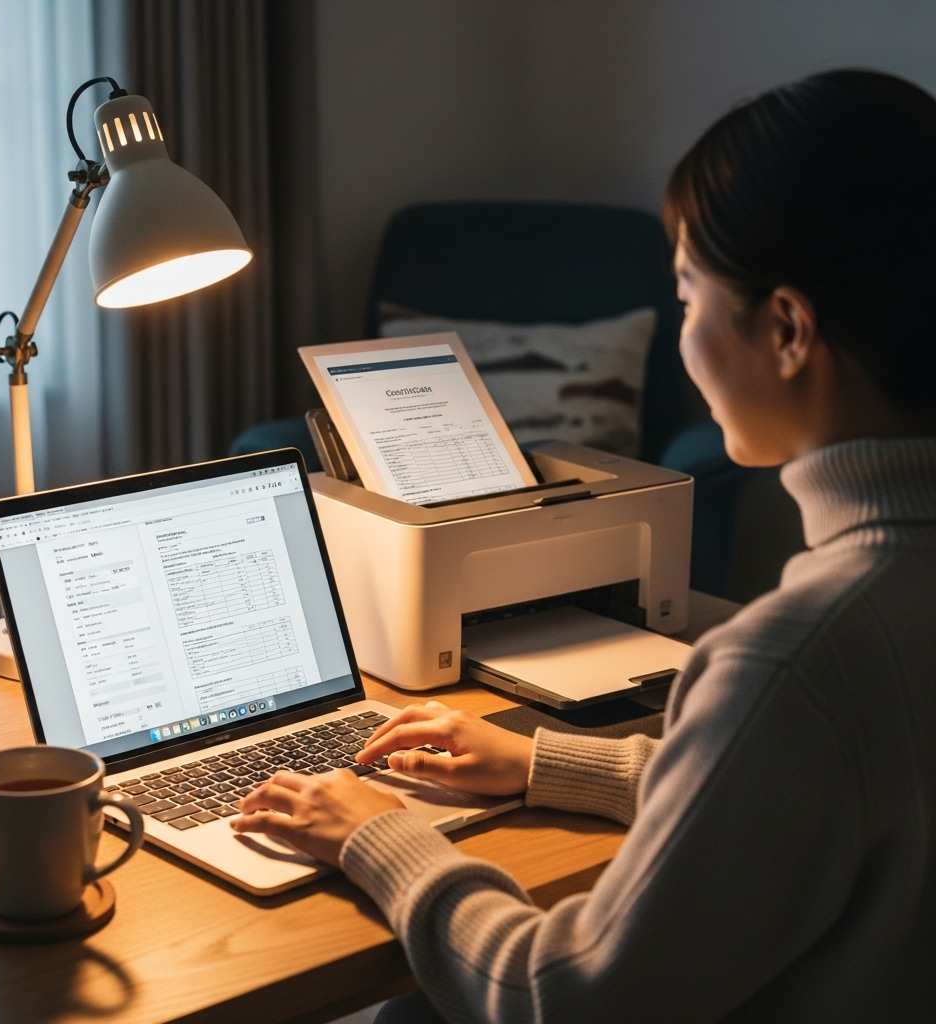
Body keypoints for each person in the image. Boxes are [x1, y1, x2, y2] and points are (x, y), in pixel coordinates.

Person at [233, 69, 936, 1022]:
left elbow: (558, 996)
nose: (683, 336)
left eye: (687, 298)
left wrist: (381, 835)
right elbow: (785, 798)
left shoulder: (790, 658)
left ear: (785, 329)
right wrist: (541, 763)